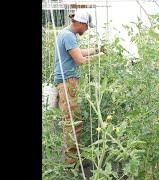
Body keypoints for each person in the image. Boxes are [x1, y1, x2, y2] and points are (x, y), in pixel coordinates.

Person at [53, 9, 105, 167]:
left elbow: (78, 52)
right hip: (67, 82)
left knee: (71, 120)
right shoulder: (68, 36)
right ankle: (71, 163)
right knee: (72, 122)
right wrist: (99, 58)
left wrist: (96, 50)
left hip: (66, 82)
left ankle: (72, 158)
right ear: (81, 23)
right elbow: (80, 60)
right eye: (87, 26)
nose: (87, 29)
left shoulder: (67, 34)